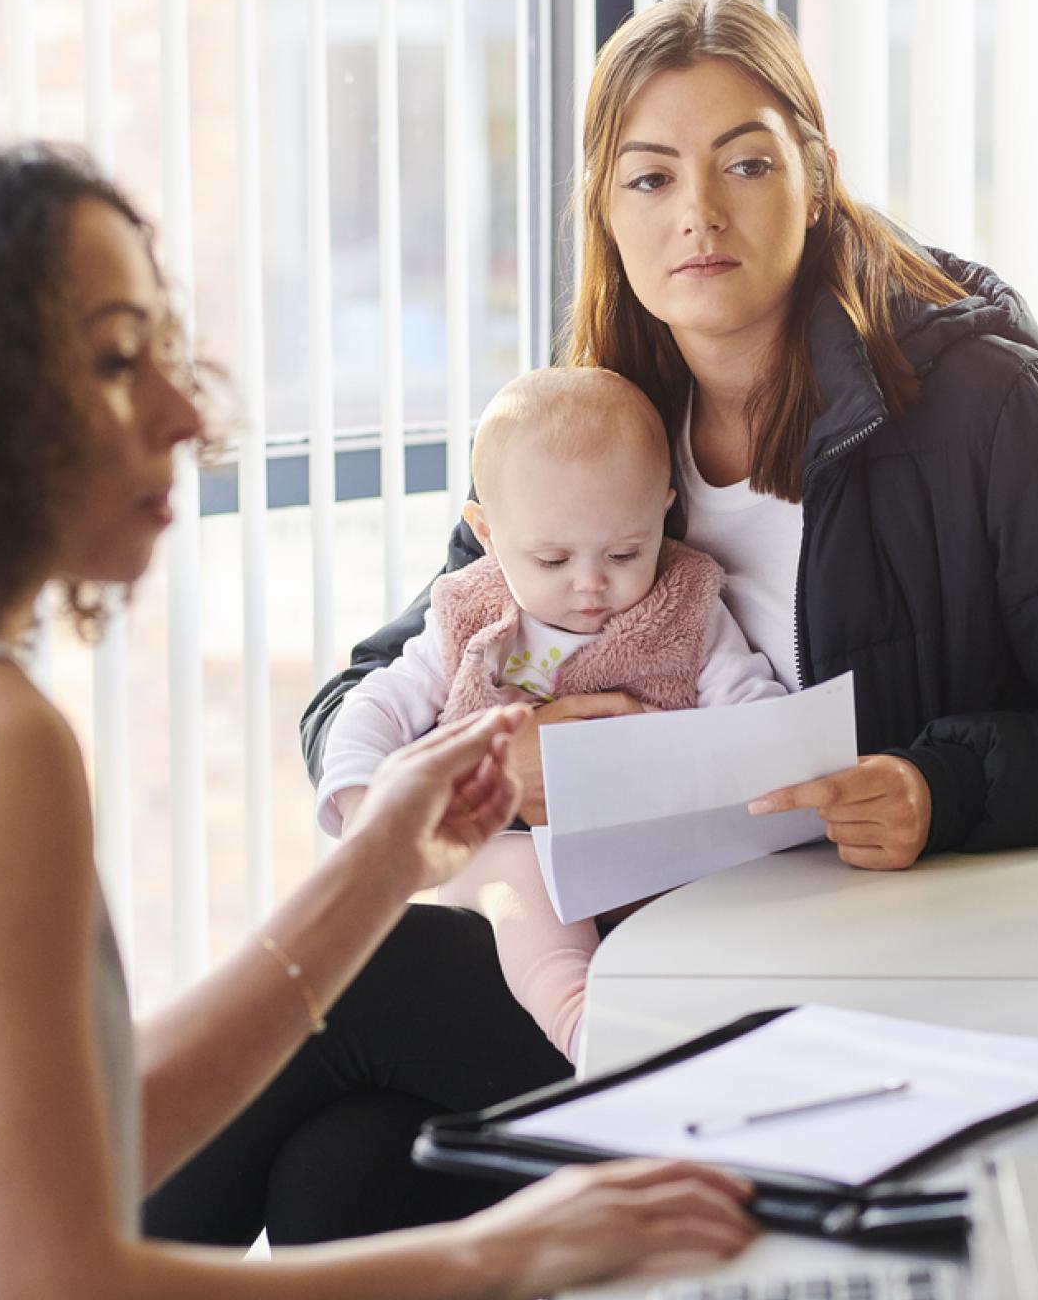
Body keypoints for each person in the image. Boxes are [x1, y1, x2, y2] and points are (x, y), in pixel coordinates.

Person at [0, 142, 757, 1300]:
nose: (188, 410)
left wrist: (390, 850)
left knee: (349, 1170)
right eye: (114, 360)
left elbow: (58, 1145)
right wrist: (505, 1254)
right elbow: (43, 1278)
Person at [151, 0, 1038, 1249]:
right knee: (348, 1175)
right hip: (647, 956)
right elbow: (386, 677)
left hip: (867, 985)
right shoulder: (600, 426)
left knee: (353, 992)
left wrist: (937, 786)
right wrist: (491, 774)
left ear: (815, 174)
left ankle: (33, 1264)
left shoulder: (1000, 419)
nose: (697, 213)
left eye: (744, 161)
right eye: (648, 178)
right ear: (603, 211)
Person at [315, 366, 784, 1060]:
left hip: (651, 853)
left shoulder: (687, 608)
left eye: (625, 552)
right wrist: (364, 808)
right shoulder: (471, 614)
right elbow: (375, 704)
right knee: (523, 883)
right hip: (506, 850)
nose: (591, 584)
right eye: (552, 557)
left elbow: (754, 715)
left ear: (664, 510)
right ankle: (584, 1026)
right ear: (488, 533)